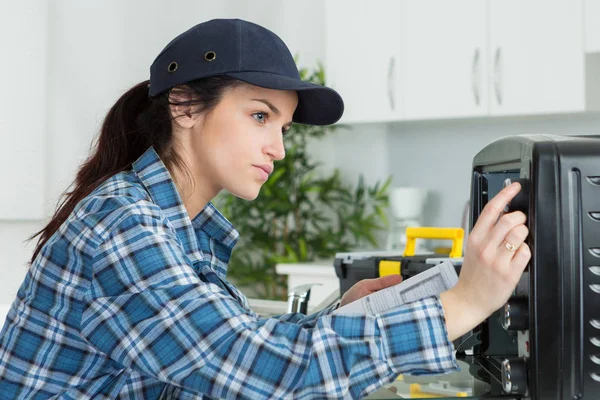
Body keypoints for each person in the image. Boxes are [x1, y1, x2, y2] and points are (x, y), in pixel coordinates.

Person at [0, 19, 530, 399]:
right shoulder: (123, 224)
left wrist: (340, 315)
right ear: (184, 106)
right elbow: (248, 370)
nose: (277, 147)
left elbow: (214, 356)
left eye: (283, 127)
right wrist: (464, 304)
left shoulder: (179, 228)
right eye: (260, 116)